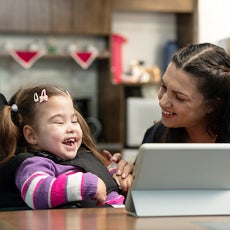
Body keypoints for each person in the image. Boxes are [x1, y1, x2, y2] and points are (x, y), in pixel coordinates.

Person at [0, 85, 132, 209]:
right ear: (32, 135)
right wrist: (84, 184)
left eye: (74, 121)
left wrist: (117, 175)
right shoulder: (33, 164)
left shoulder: (84, 156)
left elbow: (106, 183)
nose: (71, 128)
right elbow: (37, 192)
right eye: (59, 122)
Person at [142, 43, 230, 143]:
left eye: (179, 97)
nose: (162, 102)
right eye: (164, 87)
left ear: (212, 105)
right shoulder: (156, 135)